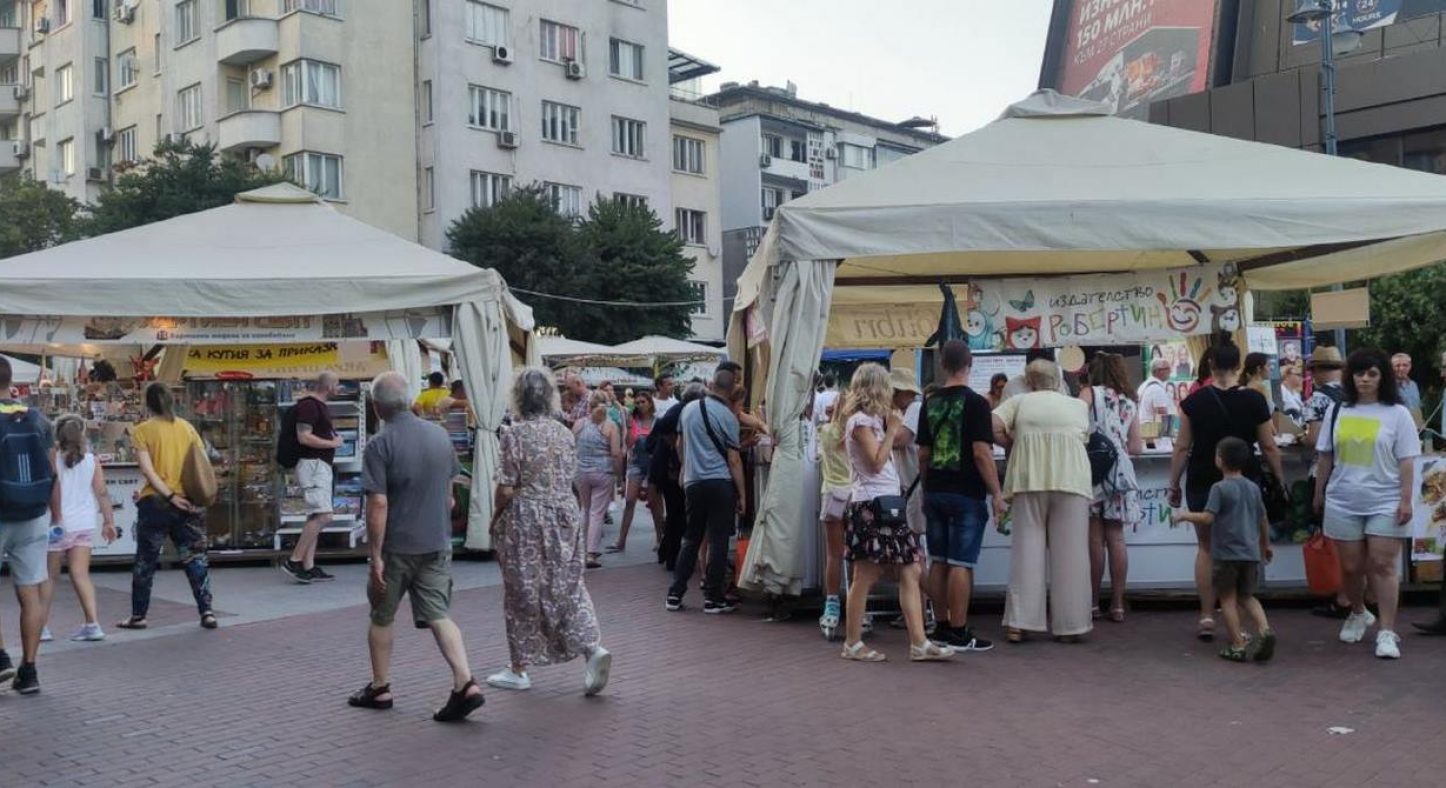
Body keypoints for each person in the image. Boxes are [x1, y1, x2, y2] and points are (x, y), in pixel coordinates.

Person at [348, 372, 484, 722]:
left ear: (376, 407)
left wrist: (375, 557)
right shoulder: (439, 436)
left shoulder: (380, 444)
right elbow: (450, 498)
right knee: (439, 613)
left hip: (397, 546)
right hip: (436, 541)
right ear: (410, 400)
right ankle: (465, 680)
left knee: (382, 615)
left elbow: (378, 504)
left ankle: (380, 686)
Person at [486, 368, 611, 695]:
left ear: (518, 397)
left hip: (527, 517)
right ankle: (592, 647)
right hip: (565, 514)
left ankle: (519, 668)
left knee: (523, 590)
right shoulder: (564, 432)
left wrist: (495, 517)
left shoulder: (514, 434)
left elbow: (506, 488)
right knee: (568, 585)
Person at [1168, 342, 1286, 642]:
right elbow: (1269, 445)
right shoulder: (1255, 400)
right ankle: (1241, 617)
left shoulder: (1193, 402)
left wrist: (1173, 483)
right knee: (1241, 544)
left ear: (1210, 365)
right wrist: (1279, 478)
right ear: (1238, 365)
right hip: (1244, 480)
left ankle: (1207, 614)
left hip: (1202, 478)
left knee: (1206, 547)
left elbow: (1182, 447)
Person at [835, 363, 953, 662]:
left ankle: (918, 642)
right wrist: (892, 431)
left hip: (884, 503)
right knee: (866, 574)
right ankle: (853, 642)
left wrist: (888, 427)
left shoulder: (871, 420)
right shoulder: (861, 422)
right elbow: (876, 462)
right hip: (872, 504)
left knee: (910, 568)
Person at [1314, 349, 1420, 660]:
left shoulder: (1397, 414)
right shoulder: (1337, 410)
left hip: (1386, 499)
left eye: (1372, 373)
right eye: (1359, 373)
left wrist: (1406, 499)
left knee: (1383, 565)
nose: (1365, 379)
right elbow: (1325, 455)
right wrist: (1319, 492)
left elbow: (1407, 460)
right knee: (1350, 567)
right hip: (1343, 498)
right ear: (1350, 376)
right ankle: (1358, 611)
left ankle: (1387, 631)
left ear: (1382, 377)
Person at [993, 359, 1092, 644]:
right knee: (1072, 554)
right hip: (1071, 480)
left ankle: (1019, 623)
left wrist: (1012, 441)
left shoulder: (1020, 402)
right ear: (1058, 380)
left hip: (1029, 479)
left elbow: (993, 425)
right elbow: (1083, 436)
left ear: (1029, 381)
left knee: (1026, 551)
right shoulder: (1077, 406)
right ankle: (1072, 625)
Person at [916, 340, 1002, 652]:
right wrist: (996, 493)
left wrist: (927, 487)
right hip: (966, 492)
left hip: (936, 490)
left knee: (938, 560)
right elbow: (981, 452)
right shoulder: (977, 403)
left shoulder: (930, 402)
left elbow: (923, 454)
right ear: (970, 365)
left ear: (943, 365)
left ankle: (940, 625)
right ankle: (959, 630)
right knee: (961, 563)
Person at [118, 383, 217, 632]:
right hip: (189, 501)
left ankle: (139, 615)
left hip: (156, 503)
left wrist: (169, 495)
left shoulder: (142, 431)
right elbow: (202, 463)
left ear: (148, 403)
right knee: (195, 558)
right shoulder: (187, 428)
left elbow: (148, 470)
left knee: (146, 561)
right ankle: (206, 611)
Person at [1172, 437, 1277, 663]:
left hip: (1226, 554)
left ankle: (1238, 644)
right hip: (1250, 553)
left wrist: (1185, 515)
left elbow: (1208, 518)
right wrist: (1266, 544)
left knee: (1227, 599)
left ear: (1219, 460)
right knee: (1247, 596)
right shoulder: (1253, 488)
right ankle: (1265, 629)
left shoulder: (1219, 488)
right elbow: (1262, 518)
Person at [665, 366, 746, 615]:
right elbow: (733, 459)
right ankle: (713, 597)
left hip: (694, 482)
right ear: (731, 390)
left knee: (691, 538)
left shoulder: (688, 409)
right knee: (718, 540)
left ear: (712, 384)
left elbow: (679, 444)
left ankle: (675, 593)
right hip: (720, 482)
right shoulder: (728, 417)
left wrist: (685, 469)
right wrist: (742, 493)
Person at [0, 357, 60, 694]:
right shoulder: (37, 418)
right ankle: (30, 669)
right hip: (34, 514)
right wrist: (57, 516)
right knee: (31, 592)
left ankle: (0, 659)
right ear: (11, 381)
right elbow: (52, 471)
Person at [39, 415, 118, 644]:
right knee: (81, 574)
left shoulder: (52, 457)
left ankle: (42, 626)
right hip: (84, 523)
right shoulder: (92, 460)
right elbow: (102, 492)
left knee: (49, 577)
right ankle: (92, 624)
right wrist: (109, 522)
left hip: (56, 524)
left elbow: (47, 488)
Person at [1080, 353, 1143, 623]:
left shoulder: (1089, 394)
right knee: (1116, 538)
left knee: (1094, 540)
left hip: (1093, 472)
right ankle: (1117, 604)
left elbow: (1075, 426)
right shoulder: (1130, 401)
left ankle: (1093, 603)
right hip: (1120, 475)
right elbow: (1136, 447)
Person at [1301, 346, 1354, 620]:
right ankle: (1360, 595)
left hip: (1327, 473)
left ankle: (1341, 596)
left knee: (1334, 539)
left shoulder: (1319, 398)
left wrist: (1301, 437)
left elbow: (1315, 439)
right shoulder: (1355, 396)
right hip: (1353, 471)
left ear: (1317, 371)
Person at [281, 372, 343, 584]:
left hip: (318, 465)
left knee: (315, 515)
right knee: (324, 515)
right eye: (337, 384)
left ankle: (308, 566)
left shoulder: (317, 406)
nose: (340, 388)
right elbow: (304, 436)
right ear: (328, 386)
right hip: (313, 465)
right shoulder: (310, 406)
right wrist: (332, 444)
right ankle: (294, 560)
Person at [649, 383, 704, 570]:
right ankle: (672, 556)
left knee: (676, 513)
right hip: (671, 469)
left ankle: (668, 552)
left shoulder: (679, 410)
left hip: (668, 468)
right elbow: (663, 430)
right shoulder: (681, 412)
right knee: (677, 513)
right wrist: (674, 447)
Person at [574, 391, 623, 569]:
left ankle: (580, 550)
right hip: (603, 472)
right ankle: (591, 553)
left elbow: (572, 446)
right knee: (597, 513)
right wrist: (619, 476)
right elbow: (616, 453)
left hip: (580, 471)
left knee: (584, 510)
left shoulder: (579, 424)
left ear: (589, 405)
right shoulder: (610, 426)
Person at [815, 398, 851, 639]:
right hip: (855, 495)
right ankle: (859, 603)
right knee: (857, 555)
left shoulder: (826, 431)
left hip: (832, 494)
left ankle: (831, 604)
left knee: (833, 555)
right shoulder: (857, 432)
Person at [611, 391, 657, 553]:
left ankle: (660, 539)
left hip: (654, 464)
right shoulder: (634, 421)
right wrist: (630, 427)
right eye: (637, 402)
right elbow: (629, 444)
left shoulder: (657, 420)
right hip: (636, 463)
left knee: (654, 503)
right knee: (630, 500)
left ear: (650, 403)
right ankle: (621, 540)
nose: (640, 405)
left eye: (643, 402)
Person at [888, 368, 925, 539]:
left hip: (915, 485)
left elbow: (898, 440)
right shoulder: (900, 412)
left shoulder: (915, 408)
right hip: (906, 486)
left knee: (914, 537)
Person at [1136, 356, 1176, 427]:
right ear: (1158, 371)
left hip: (1145, 428)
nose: (1170, 371)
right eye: (1167, 368)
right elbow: (1162, 414)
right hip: (1153, 431)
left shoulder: (1144, 385)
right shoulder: (1157, 389)